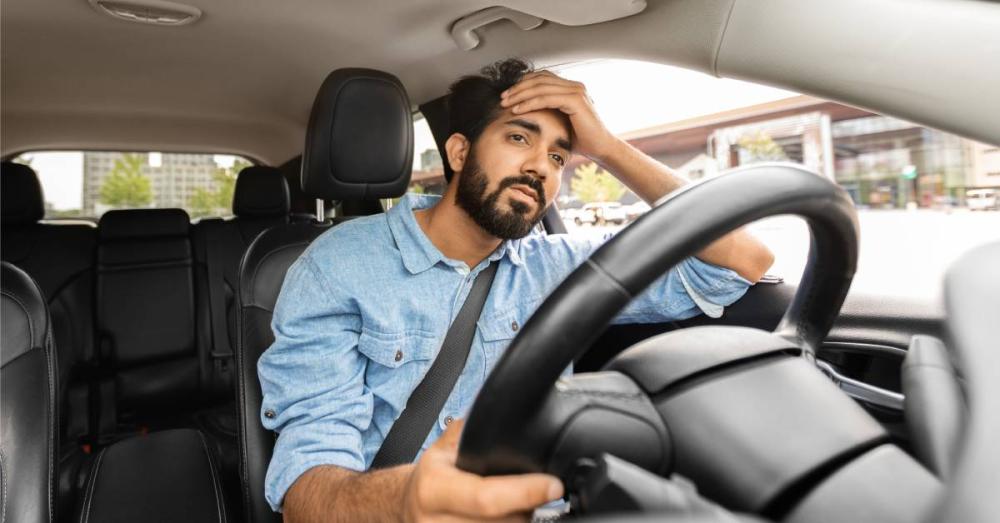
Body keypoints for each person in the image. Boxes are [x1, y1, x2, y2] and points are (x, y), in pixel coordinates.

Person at [259, 58, 775, 522]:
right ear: (459, 152)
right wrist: (407, 497)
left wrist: (607, 148)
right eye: (519, 138)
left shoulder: (556, 266)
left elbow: (742, 259)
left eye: (558, 157)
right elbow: (308, 494)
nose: (539, 168)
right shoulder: (338, 266)